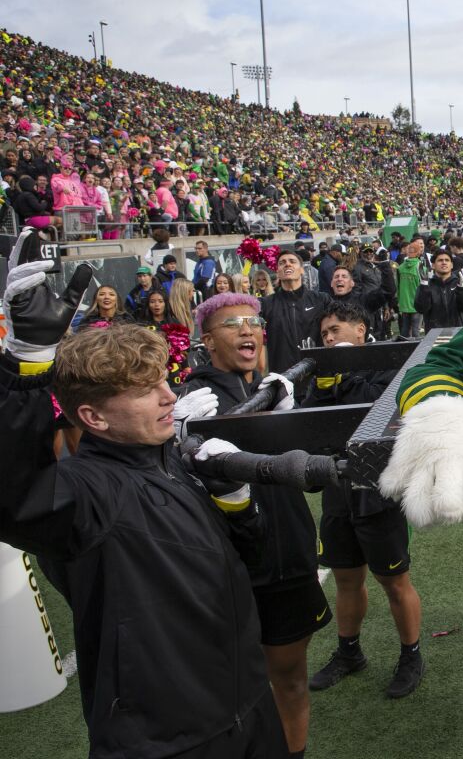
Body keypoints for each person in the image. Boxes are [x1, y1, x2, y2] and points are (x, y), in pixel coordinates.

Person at [0, 232, 287, 758]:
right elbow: (15, 496)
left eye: (164, 379)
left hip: (246, 707)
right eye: (146, 390)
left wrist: (235, 500)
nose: (169, 396)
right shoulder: (90, 491)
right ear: (92, 416)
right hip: (167, 740)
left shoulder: (170, 460)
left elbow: (251, 564)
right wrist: (26, 366)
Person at [177, 293, 331, 756]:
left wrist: (289, 418)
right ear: (207, 341)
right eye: (232, 324)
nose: (247, 330)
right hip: (233, 566)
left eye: (252, 321)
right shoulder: (193, 401)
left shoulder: (271, 388)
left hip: (289, 556)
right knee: (234, 685)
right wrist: (175, 439)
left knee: (290, 677)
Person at [300, 302, 425, 699]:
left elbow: (384, 403)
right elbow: (307, 423)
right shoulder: (324, 376)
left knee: (394, 580)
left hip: (378, 490)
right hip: (338, 491)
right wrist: (323, 389)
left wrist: (340, 381)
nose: (330, 339)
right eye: (324, 336)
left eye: (336, 330)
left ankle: (411, 656)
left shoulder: (387, 362)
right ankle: (349, 652)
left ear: (360, 329)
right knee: (346, 579)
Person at [260, 250, 330, 374]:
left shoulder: (321, 299)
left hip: (316, 376)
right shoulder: (265, 304)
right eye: (282, 263)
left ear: (302, 270)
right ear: (278, 272)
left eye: (292, 261)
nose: (287, 264)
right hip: (282, 378)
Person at [414, 247, 463, 331]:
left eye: (447, 260)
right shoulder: (427, 285)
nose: (444, 262)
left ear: (452, 265)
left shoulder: (459, 282)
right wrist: (424, 286)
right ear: (433, 265)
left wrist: (462, 288)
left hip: (457, 332)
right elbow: (421, 308)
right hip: (433, 333)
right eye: (440, 260)